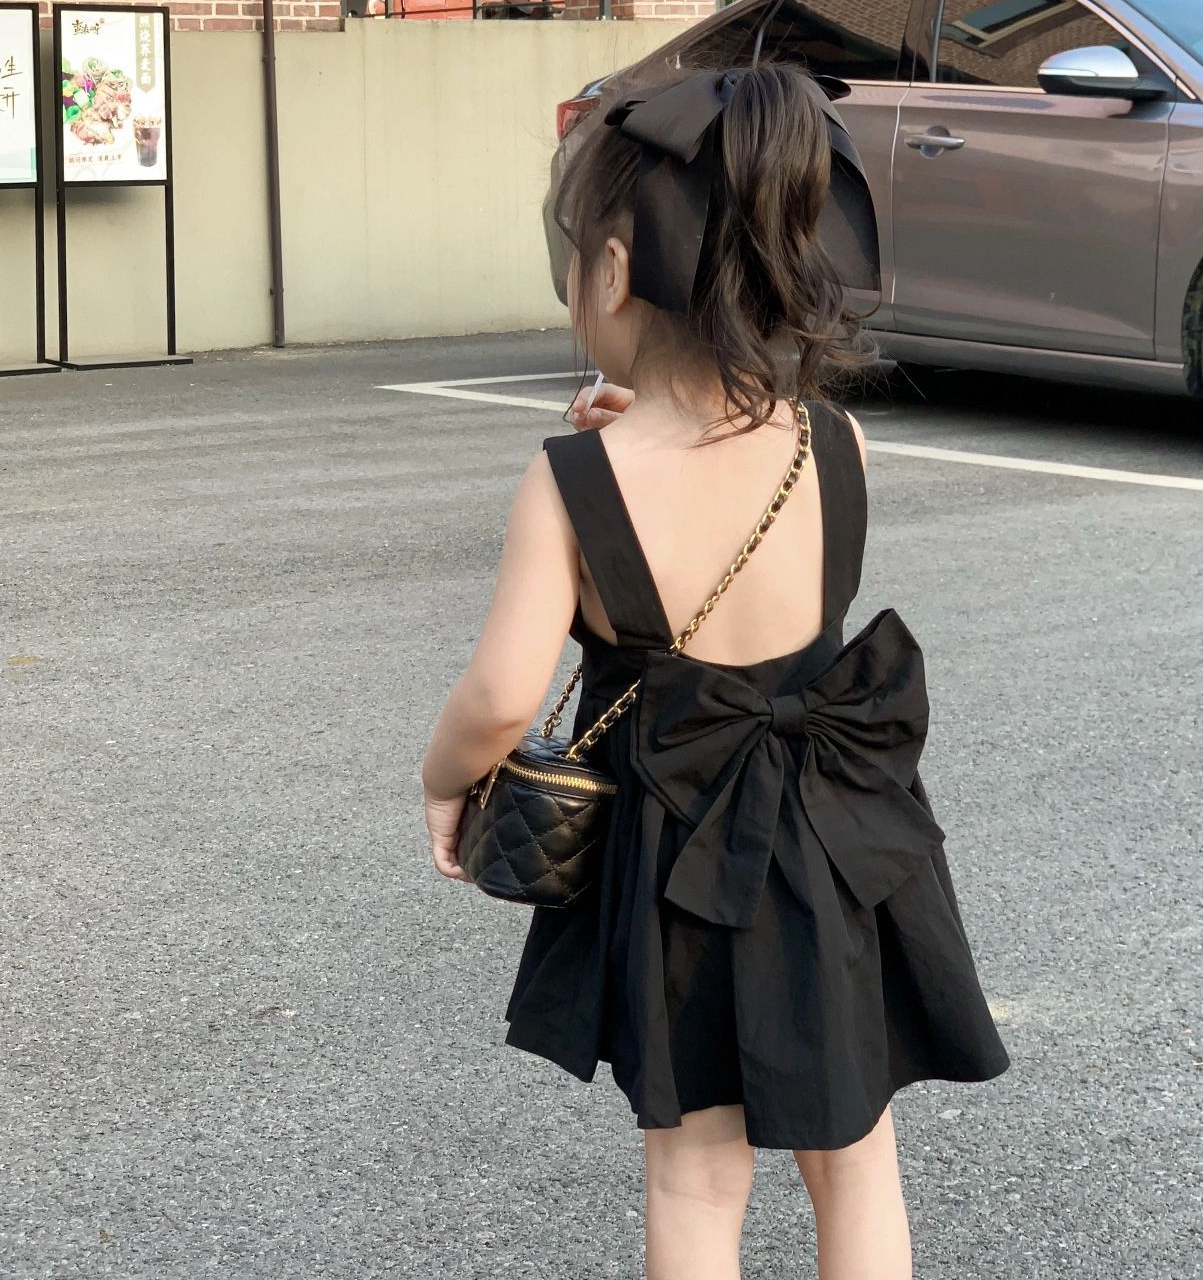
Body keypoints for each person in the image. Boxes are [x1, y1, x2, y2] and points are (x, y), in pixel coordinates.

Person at [422, 63, 1008, 1280]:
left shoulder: (573, 481)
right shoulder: (836, 442)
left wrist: (443, 779)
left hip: (676, 856)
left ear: (614, 271)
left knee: (694, 1176)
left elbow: (500, 694)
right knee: (855, 1155)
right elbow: (735, 484)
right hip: (837, 843)